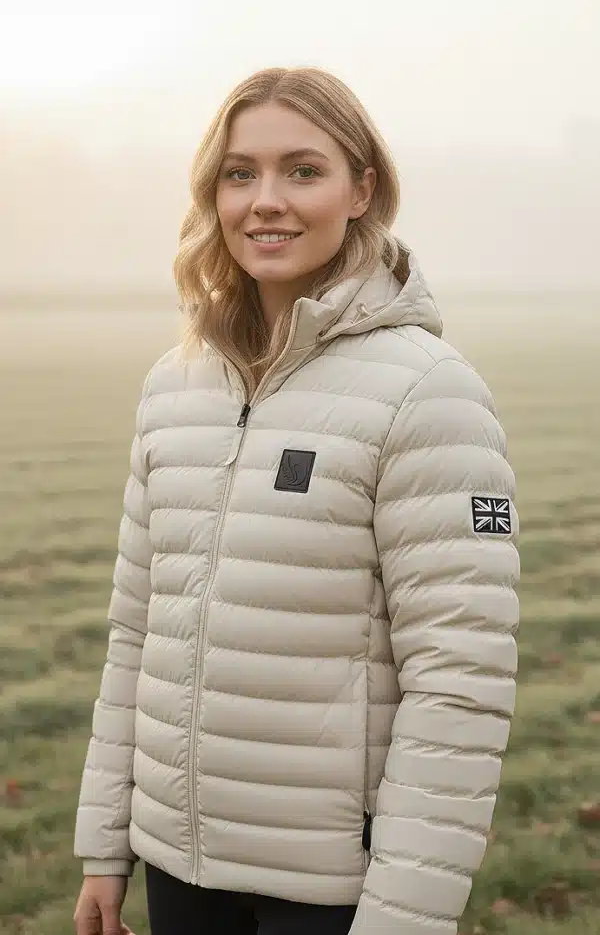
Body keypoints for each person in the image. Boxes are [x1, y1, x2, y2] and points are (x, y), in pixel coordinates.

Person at [73, 66, 519, 935]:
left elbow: (458, 682)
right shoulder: (175, 386)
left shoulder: (431, 393)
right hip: (178, 869)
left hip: (332, 898)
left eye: (302, 171)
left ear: (364, 189)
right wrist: (106, 845)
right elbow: (136, 630)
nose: (265, 200)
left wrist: (403, 919)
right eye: (240, 173)